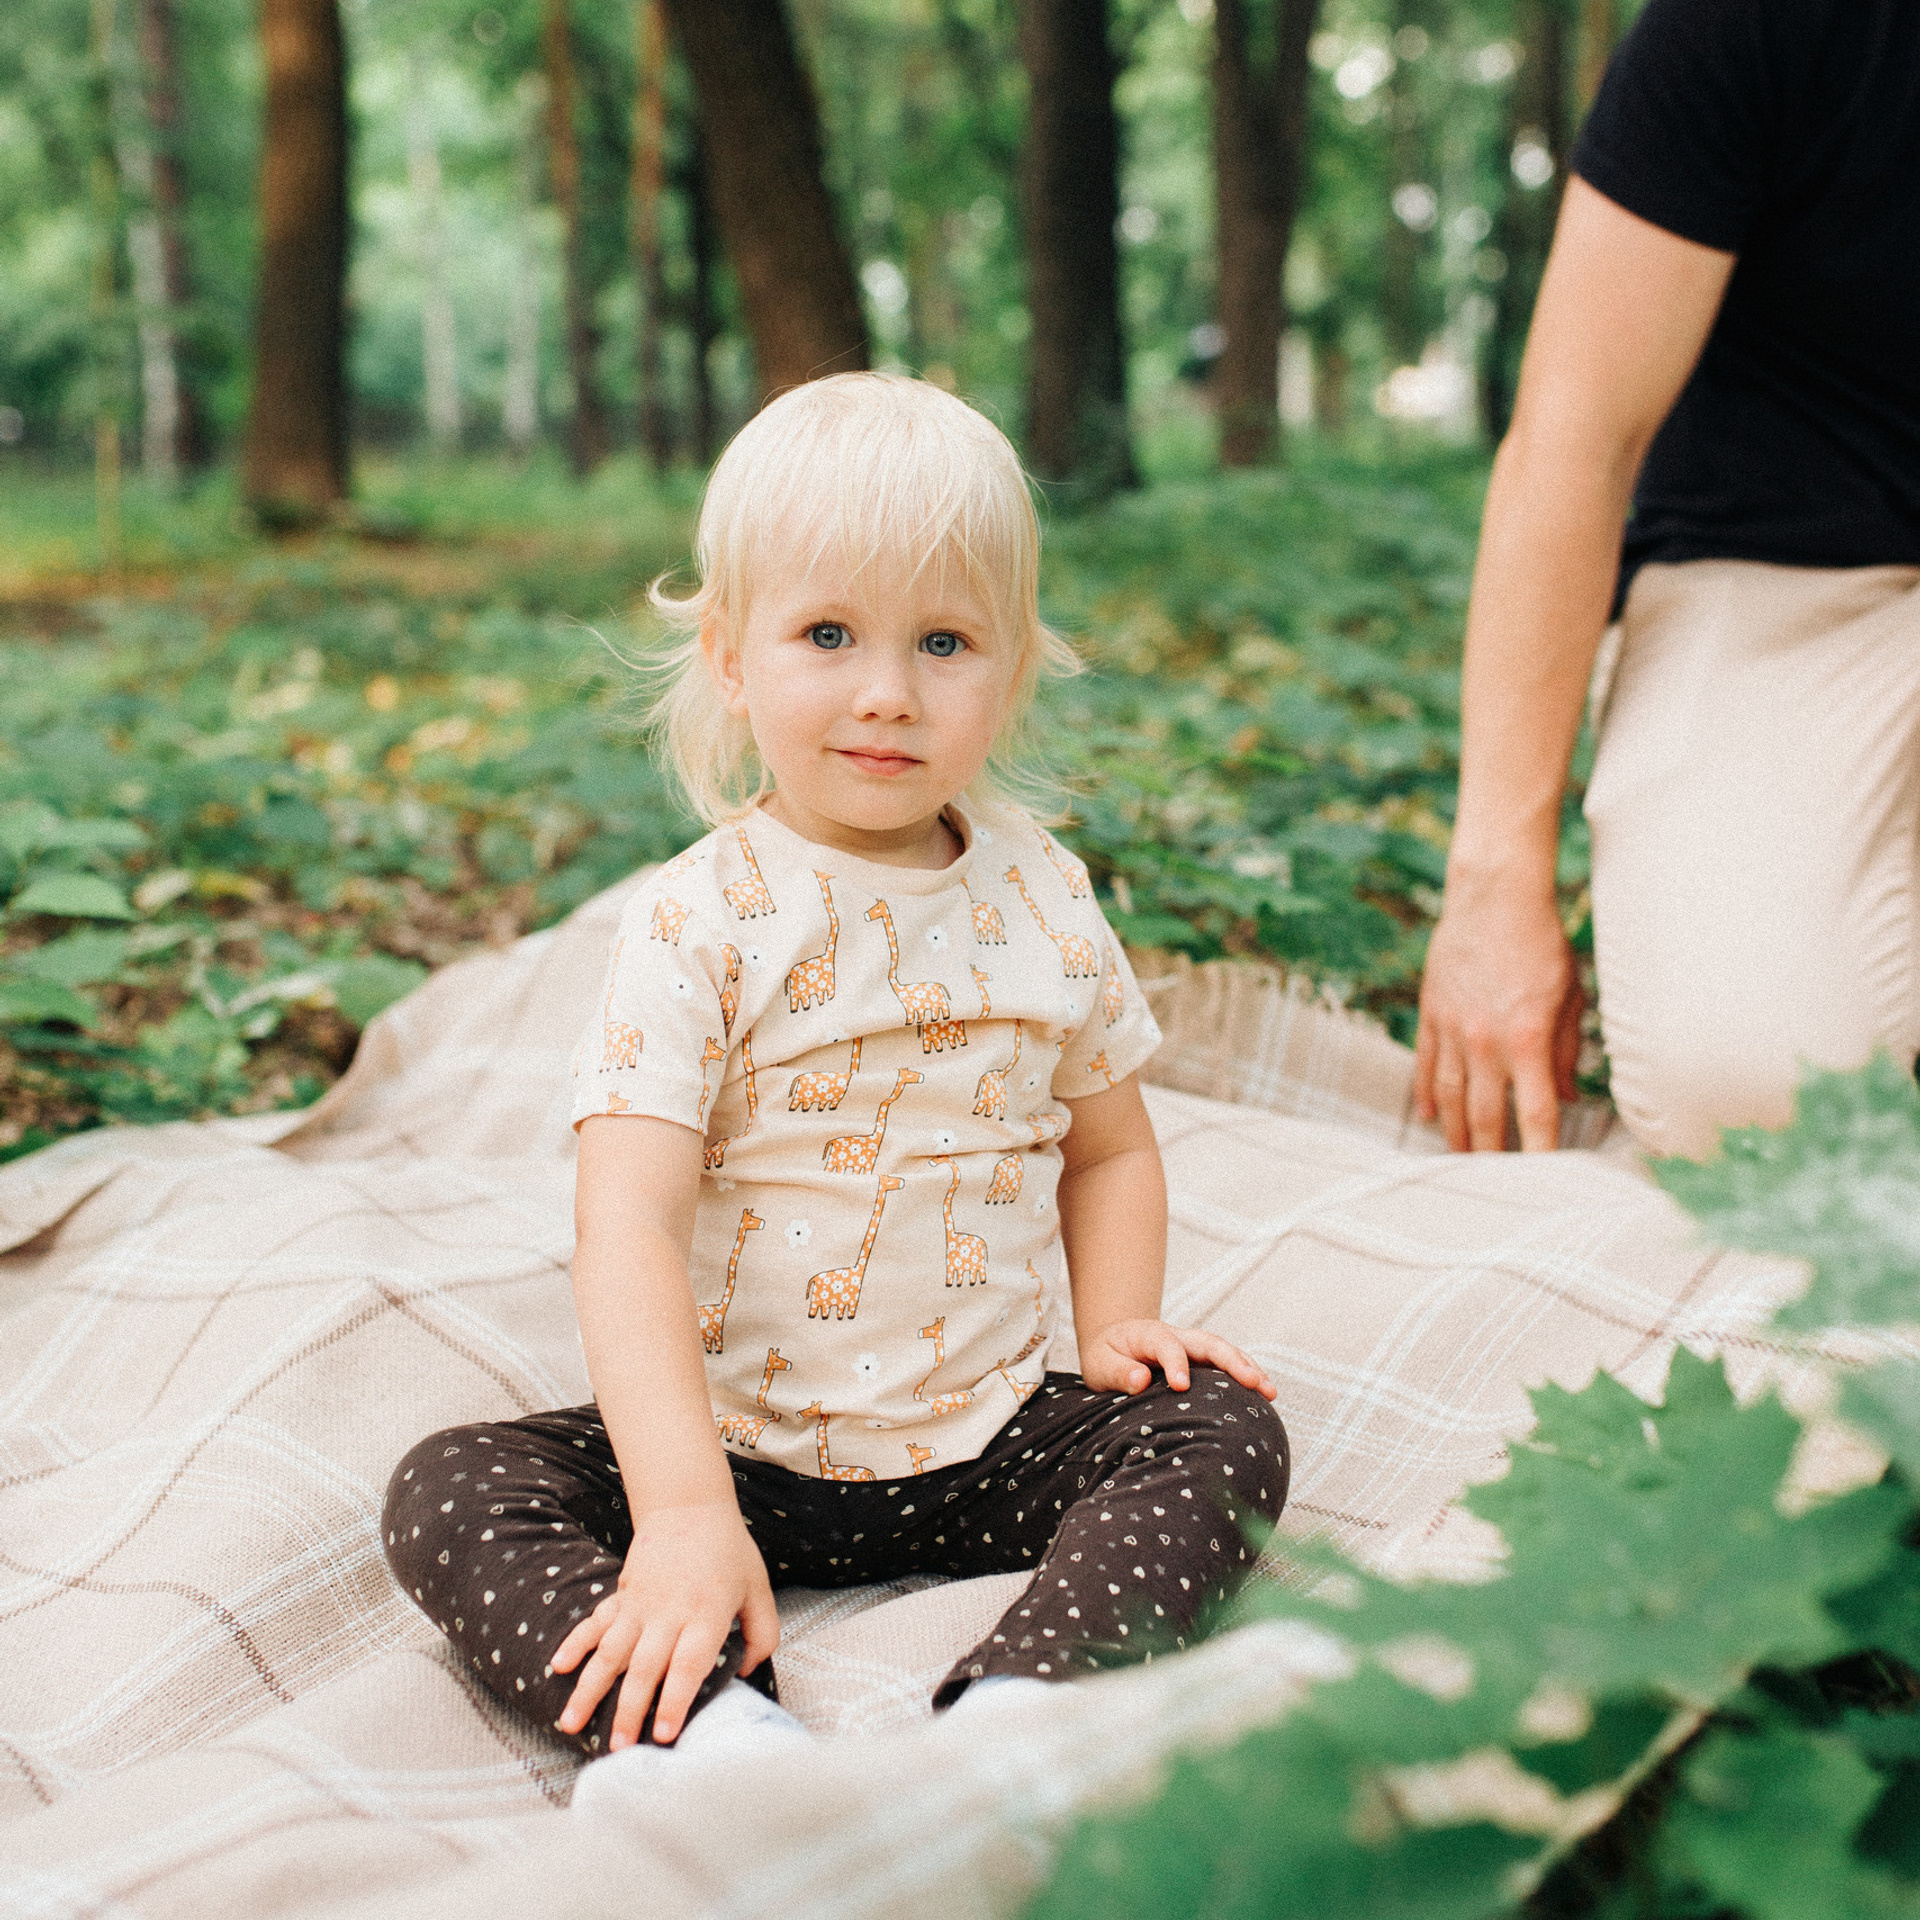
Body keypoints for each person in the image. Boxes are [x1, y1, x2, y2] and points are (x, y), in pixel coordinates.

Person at [381, 373, 1287, 1789]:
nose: (887, 693)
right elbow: (623, 1224)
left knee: (1221, 1431)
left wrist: (1118, 1326)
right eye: (827, 634)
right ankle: (710, 1740)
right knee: (450, 1488)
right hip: (733, 1453)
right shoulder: (700, 919)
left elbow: (1110, 1147)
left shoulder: (1043, 895)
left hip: (988, 1438)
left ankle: (1025, 1715)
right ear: (734, 660)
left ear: (1015, 666)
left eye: (944, 640)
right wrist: (680, 1509)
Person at [1414, 0, 1920, 1160]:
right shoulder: (1745, 28)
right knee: (1757, 1112)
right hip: (1780, 578)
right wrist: (1496, 883)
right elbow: (1571, 437)